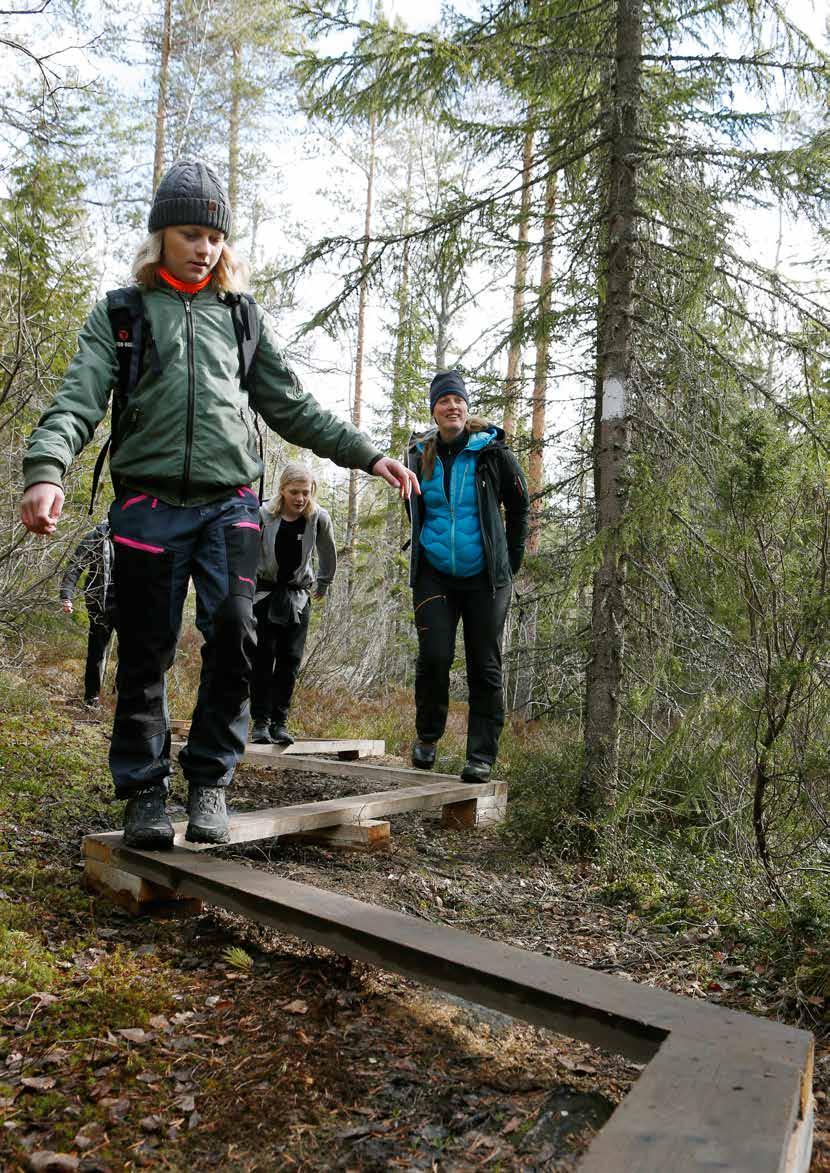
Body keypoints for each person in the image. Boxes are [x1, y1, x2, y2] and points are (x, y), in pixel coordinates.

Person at [20, 159, 418, 850]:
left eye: (214, 236)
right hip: (146, 506)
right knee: (145, 650)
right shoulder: (122, 315)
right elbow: (77, 400)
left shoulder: (242, 318)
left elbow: (291, 405)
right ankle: (145, 790)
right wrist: (47, 470)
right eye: (189, 233)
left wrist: (364, 453)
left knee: (236, 628)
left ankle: (210, 779)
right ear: (160, 237)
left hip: (230, 504)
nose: (204, 248)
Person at [405, 369, 529, 782]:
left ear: (466, 407)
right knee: (435, 657)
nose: (451, 406)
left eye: (457, 400)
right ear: (434, 410)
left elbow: (520, 504)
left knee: (485, 665)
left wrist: (509, 562)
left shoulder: (492, 453)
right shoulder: (418, 454)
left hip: (485, 578)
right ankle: (427, 738)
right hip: (435, 574)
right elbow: (413, 508)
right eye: (443, 401)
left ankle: (480, 756)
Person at [250, 461, 334, 746]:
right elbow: (247, 549)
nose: (300, 498)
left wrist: (324, 581)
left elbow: (327, 551)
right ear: (282, 490)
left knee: (290, 661)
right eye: (295, 492)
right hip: (264, 593)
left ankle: (279, 722)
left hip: (297, 596)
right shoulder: (263, 514)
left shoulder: (317, 517)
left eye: (306, 492)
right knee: (263, 658)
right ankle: (259, 722)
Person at [59, 518, 116, 706]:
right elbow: (75, 567)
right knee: (96, 653)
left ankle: (120, 701)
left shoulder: (140, 536)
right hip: (99, 604)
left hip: (130, 606)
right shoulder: (95, 537)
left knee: (131, 654)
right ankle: (92, 699)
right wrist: (66, 595)